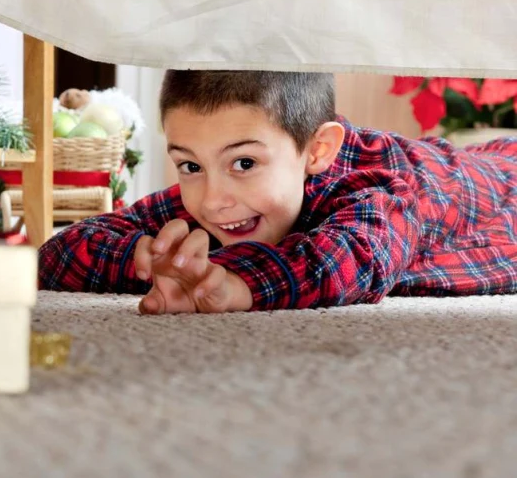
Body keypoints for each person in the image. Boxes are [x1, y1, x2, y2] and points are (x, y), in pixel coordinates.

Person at [37, 70, 517, 314]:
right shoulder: (221, 191)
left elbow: (349, 259)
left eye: (244, 163)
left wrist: (229, 283)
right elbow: (58, 254)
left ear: (317, 151)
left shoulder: (380, 189)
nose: (212, 200)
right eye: (189, 165)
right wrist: (150, 257)